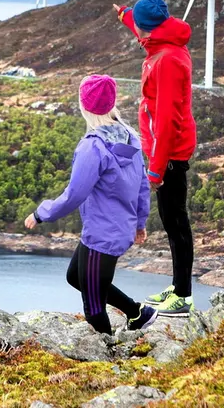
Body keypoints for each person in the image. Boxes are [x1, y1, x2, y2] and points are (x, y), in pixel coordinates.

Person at [24, 74, 156, 334]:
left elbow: (74, 195)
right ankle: (137, 313)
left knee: (94, 307)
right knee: (76, 277)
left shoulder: (93, 147)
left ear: (84, 106)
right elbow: (143, 184)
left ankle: (108, 361)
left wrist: (41, 213)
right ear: (112, 103)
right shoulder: (130, 137)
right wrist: (139, 223)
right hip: (112, 230)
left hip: (103, 237)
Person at [110, 0, 197, 316]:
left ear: (152, 31)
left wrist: (156, 172)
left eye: (141, 31)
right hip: (163, 150)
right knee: (171, 221)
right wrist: (124, 14)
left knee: (176, 223)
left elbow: (167, 122)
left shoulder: (169, 61)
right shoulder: (160, 36)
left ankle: (184, 297)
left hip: (171, 152)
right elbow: (139, 25)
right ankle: (177, 288)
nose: (139, 36)